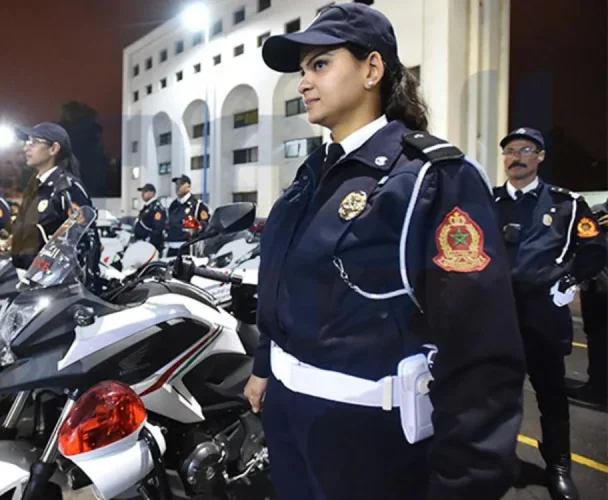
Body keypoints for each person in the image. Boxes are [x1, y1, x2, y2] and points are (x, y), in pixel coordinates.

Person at [243, 4, 527, 499]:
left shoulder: (430, 179)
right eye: (303, 70)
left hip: (367, 439)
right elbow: (282, 286)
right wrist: (265, 366)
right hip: (289, 422)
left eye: (320, 64)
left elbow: (479, 349)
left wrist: (466, 482)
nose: (304, 83)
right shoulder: (308, 179)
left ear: (372, 69)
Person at [493, 127, 607, 499]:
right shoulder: (489, 201)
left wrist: (569, 279)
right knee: (498, 393)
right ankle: (499, 460)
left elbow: (596, 247)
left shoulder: (566, 204)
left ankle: (558, 467)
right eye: (511, 150)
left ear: (540, 157)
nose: (517, 157)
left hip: (543, 312)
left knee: (551, 393)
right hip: (499, 314)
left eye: (526, 150)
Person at [10, 122, 96, 275]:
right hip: (27, 277)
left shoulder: (67, 188)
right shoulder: (37, 187)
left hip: (52, 281)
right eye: (27, 142)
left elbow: (85, 240)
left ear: (54, 149)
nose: (26, 148)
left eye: (34, 142)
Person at [568, 197, 608, 409]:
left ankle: (599, 389)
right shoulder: (597, 213)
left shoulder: (598, 213)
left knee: (599, 337)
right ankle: (598, 385)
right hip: (595, 284)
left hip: (600, 285)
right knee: (596, 336)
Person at [165, 175, 210, 257]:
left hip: (188, 247)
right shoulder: (173, 205)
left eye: (181, 184)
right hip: (171, 246)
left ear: (188, 187)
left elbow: (205, 225)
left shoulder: (197, 205)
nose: (178, 187)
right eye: (176, 184)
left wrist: (197, 227)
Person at [133, 183, 166, 254]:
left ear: (152, 193)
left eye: (145, 192)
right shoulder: (147, 207)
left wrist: (150, 242)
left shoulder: (156, 208)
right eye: (142, 192)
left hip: (150, 246)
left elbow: (157, 228)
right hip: (142, 243)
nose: (142, 194)